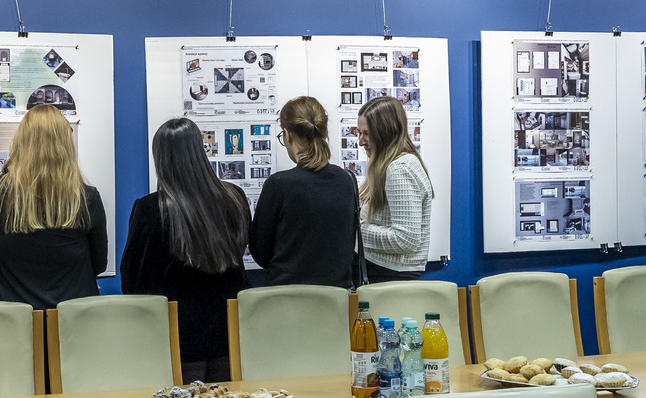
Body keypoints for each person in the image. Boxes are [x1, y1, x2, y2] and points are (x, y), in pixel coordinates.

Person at [121, 117, 251, 382]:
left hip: (176, 334)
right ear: (199, 151)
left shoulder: (151, 208)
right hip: (230, 329)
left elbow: (133, 280)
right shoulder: (234, 197)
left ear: (161, 159)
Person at [0, 104, 108, 310]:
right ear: (65, 145)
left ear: (21, 141)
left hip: (12, 316)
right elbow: (99, 263)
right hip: (71, 317)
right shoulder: (87, 198)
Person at [249, 96, 360, 288]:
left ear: (287, 135)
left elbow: (260, 251)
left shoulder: (278, 184)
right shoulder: (346, 180)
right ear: (325, 132)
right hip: (336, 295)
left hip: (286, 294)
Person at [356, 97, 432, 282]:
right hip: (385, 273)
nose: (360, 141)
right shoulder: (389, 165)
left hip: (390, 277)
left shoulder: (399, 168)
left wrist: (357, 231)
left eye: (367, 134)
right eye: (359, 133)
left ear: (385, 132)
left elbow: (405, 239)